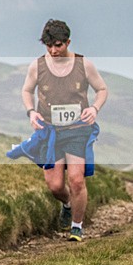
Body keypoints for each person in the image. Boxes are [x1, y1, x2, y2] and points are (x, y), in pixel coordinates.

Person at [21, 19, 108, 241]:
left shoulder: (84, 65)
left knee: (77, 180)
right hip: (50, 132)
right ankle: (68, 204)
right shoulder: (37, 66)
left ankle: (76, 227)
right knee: (55, 185)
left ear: (68, 42)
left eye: (58, 45)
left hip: (77, 130)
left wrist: (95, 109)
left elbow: (102, 89)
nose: (53, 50)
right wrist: (32, 112)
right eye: (49, 46)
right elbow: (27, 90)